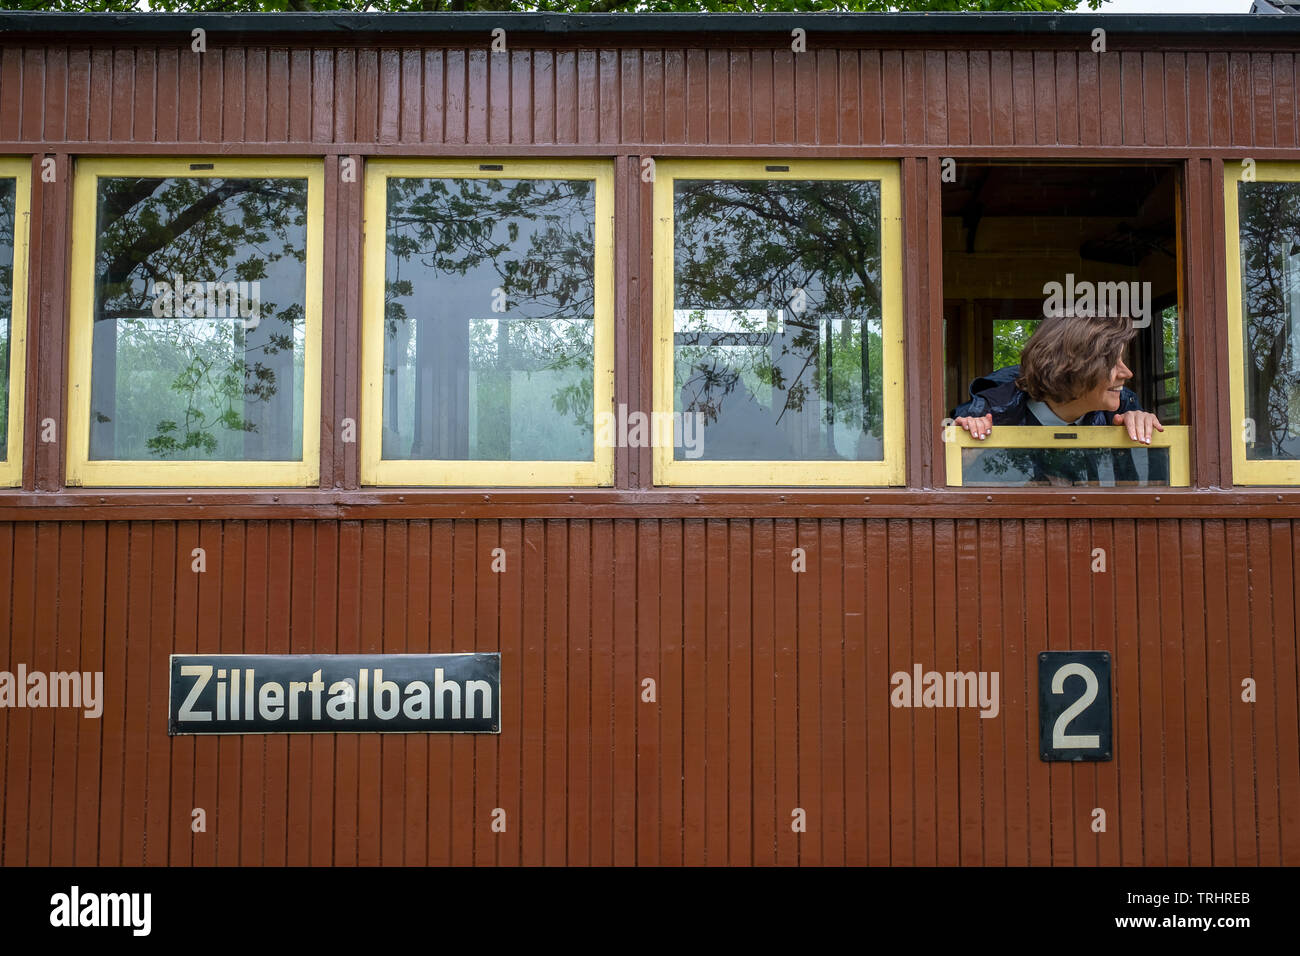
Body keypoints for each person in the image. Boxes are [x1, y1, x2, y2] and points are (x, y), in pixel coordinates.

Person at [952, 314, 1163, 443]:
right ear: (1072, 367)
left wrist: (1138, 435)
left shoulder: (1124, 408)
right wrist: (966, 446)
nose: (1127, 373)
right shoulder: (990, 413)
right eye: (1111, 363)